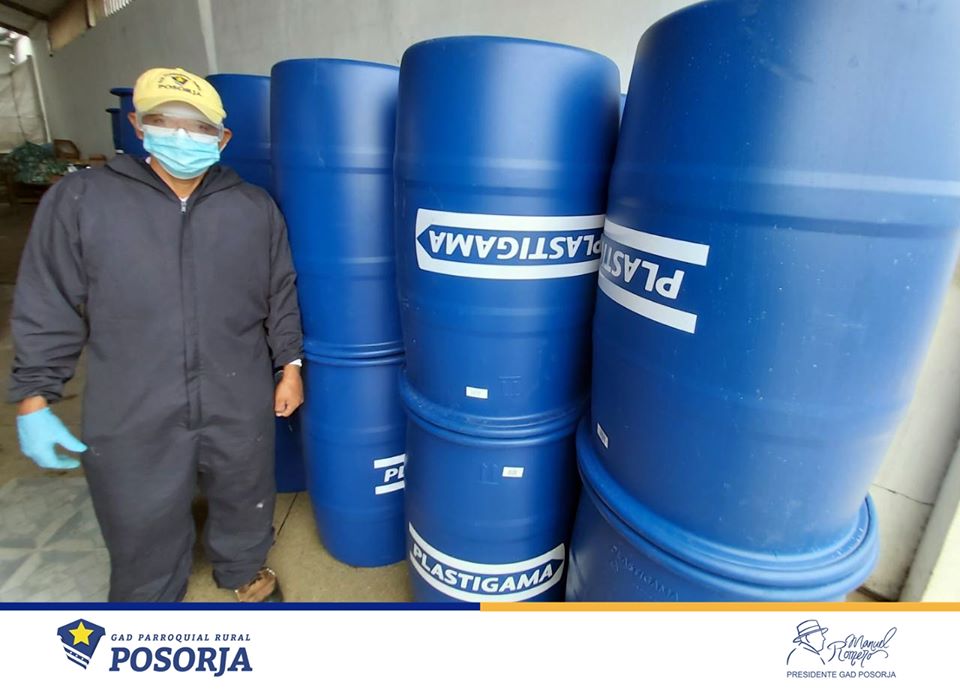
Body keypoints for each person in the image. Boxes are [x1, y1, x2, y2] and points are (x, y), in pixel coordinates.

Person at [8, 67, 304, 602]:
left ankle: (243, 569)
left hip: (236, 387)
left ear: (223, 138)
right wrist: (35, 395)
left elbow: (280, 290)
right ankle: (148, 599)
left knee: (245, 488)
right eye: (166, 121)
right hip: (133, 394)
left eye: (200, 127)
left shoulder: (252, 207)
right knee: (137, 508)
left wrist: (290, 365)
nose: (183, 136)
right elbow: (47, 299)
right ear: (138, 125)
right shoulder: (83, 200)